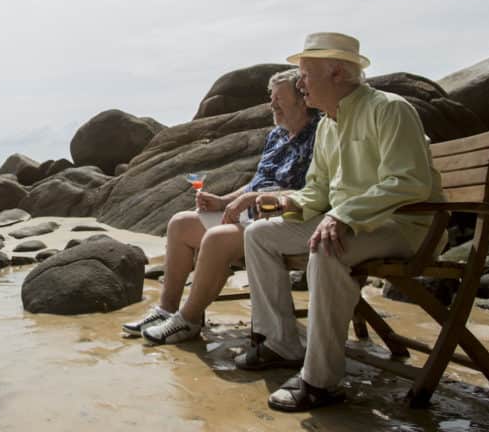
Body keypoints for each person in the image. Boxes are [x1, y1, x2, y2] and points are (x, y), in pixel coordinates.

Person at [234, 32, 443, 412]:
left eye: (305, 74)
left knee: (327, 248)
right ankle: (279, 342)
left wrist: (342, 214)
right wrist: (277, 202)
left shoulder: (389, 109)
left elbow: (409, 180)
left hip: (404, 226)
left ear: (336, 73)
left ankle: (320, 381)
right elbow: (316, 195)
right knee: (260, 235)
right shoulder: (328, 126)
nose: (299, 84)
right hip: (348, 224)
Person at [123, 68, 321, 345]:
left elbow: (315, 191)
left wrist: (253, 202)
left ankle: (187, 320)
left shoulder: (321, 134)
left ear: (302, 99)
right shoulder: (276, 135)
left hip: (280, 220)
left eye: (279, 98)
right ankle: (165, 310)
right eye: (271, 98)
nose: (271, 105)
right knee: (180, 223)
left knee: (215, 239)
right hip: (247, 214)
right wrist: (223, 200)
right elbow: (256, 183)